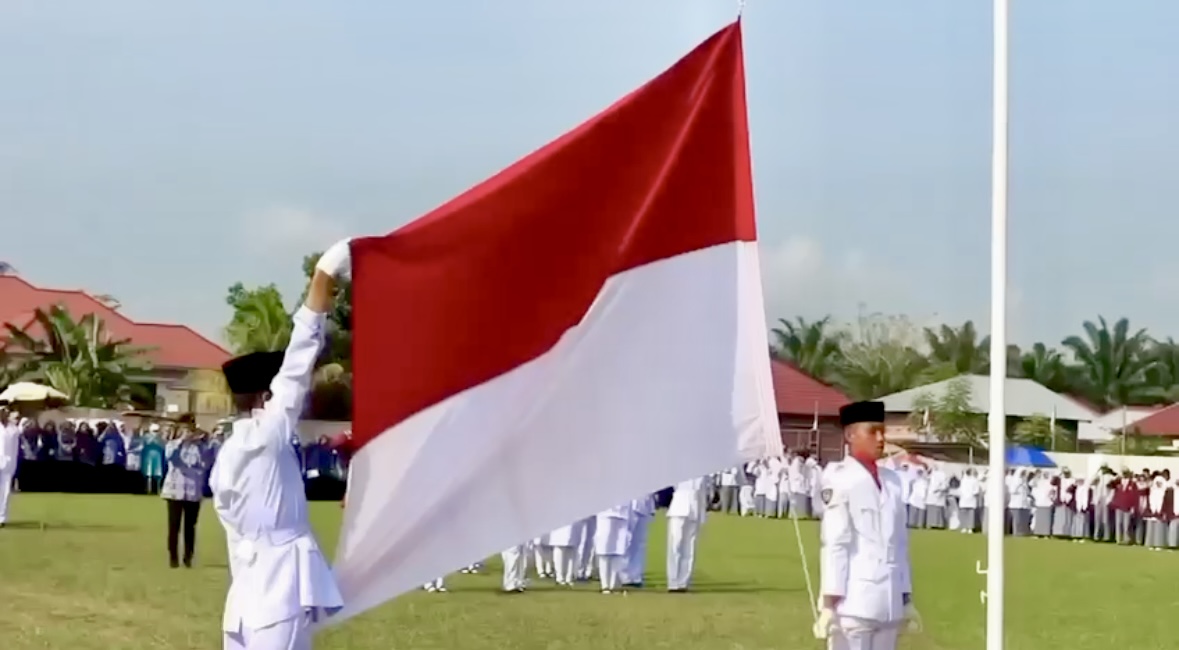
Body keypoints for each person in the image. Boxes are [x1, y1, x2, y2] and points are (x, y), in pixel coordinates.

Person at [209, 238, 350, 650]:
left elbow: (236, 538)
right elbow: (299, 357)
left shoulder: (229, 452)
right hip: (280, 590)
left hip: (245, 600)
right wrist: (324, 275)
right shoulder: (268, 433)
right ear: (264, 397)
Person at [815, 401, 921, 650]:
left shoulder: (893, 481)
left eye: (883, 431)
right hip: (854, 601)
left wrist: (906, 597)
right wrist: (829, 603)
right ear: (851, 435)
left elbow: (900, 544)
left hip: (889, 600)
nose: (881, 438)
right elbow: (835, 543)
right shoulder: (840, 479)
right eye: (873, 431)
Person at [161, 419, 209, 568]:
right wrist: (181, 441)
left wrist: (204, 441)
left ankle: (188, 557)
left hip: (192, 491)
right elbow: (171, 457)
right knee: (174, 526)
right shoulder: (172, 444)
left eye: (190, 431)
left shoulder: (199, 447)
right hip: (175, 491)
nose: (189, 434)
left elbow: (205, 463)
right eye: (186, 431)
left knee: (190, 527)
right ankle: (173, 558)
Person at [0, 408, 20, 527]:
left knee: (5, 491)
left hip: (8, 462)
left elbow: (15, 448)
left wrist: (14, 463)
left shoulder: (13, 430)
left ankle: (1, 517)